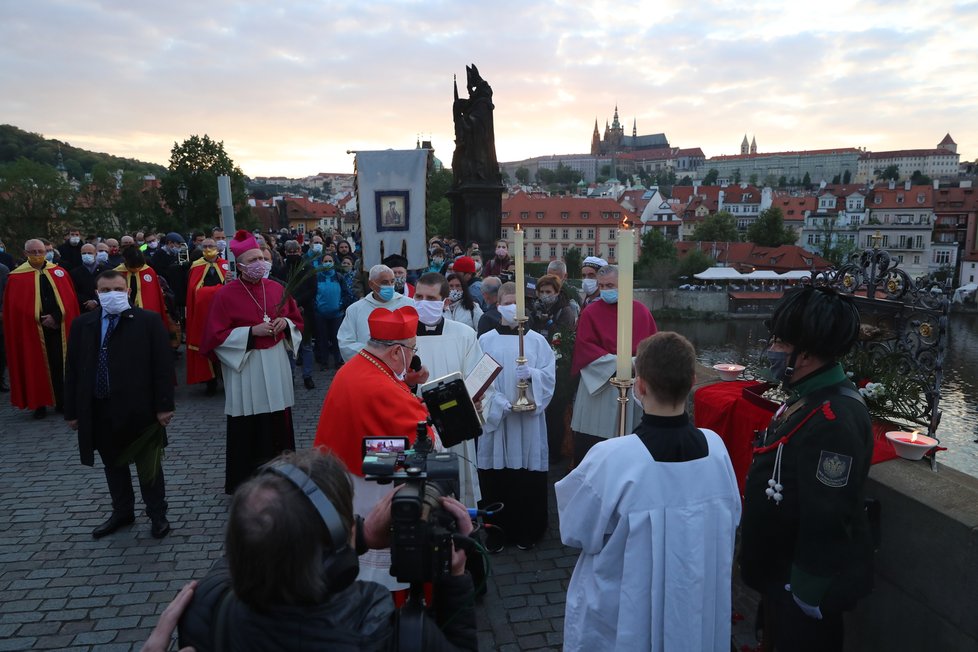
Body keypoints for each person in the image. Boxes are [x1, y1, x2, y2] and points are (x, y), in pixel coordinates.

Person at [176, 449, 478, 651]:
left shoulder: (203, 609)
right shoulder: (391, 634)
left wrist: (359, 536)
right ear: (337, 554)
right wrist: (456, 578)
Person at [556, 331, 742, 651]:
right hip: (692, 603)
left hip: (626, 612)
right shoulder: (717, 449)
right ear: (692, 381)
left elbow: (575, 531)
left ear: (639, 386)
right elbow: (731, 519)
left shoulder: (613, 457)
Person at [739, 286, 874, 652]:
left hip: (799, 590)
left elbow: (828, 514)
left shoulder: (834, 418)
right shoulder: (807, 398)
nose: (772, 349)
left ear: (808, 352)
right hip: (778, 578)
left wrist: (805, 590)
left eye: (781, 342)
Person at [314, 306, 432, 590]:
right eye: (412, 349)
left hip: (346, 472)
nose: (414, 356)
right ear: (395, 352)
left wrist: (409, 383)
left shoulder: (361, 365)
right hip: (368, 487)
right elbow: (422, 440)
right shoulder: (380, 386)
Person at [64, 270, 176, 539]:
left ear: (127, 292)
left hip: (141, 409)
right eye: (105, 290)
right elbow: (73, 370)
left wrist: (164, 405)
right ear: (96, 294)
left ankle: (157, 514)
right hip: (100, 409)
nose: (111, 294)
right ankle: (122, 511)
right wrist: (72, 410)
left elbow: (162, 366)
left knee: (148, 467)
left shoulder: (147, 321)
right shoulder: (83, 324)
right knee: (113, 465)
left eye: (117, 289)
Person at [200, 230, 304, 494]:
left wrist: (286, 323)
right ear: (241, 265)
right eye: (253, 259)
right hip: (246, 365)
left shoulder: (278, 288)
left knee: (278, 421)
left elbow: (298, 322)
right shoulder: (225, 295)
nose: (260, 263)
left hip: (276, 360)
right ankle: (246, 481)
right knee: (248, 425)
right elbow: (214, 337)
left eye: (262, 257)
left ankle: (283, 475)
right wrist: (250, 332)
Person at [477, 282, 555, 550]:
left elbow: (549, 376)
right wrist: (498, 403)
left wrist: (533, 376)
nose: (512, 308)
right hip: (497, 421)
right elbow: (478, 380)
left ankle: (528, 531)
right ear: (497, 305)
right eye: (507, 302)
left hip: (528, 420)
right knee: (497, 476)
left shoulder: (537, 341)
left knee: (526, 477)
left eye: (516, 303)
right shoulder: (485, 341)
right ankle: (498, 533)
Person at [570, 264, 657, 462]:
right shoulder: (590, 313)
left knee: (629, 450)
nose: (606, 291)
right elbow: (585, 351)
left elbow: (653, 350)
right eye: (602, 286)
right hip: (599, 391)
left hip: (633, 388)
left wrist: (635, 363)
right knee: (593, 452)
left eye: (610, 285)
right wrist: (630, 363)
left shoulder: (641, 312)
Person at [413, 272, 483, 507]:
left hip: (456, 425)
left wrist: (477, 402)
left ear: (445, 303)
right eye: (418, 296)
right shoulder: (404, 336)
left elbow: (477, 380)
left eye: (431, 299)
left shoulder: (464, 334)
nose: (423, 303)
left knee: (458, 495)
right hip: (415, 422)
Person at [3, 239, 80, 419]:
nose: (37, 255)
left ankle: (62, 401)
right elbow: (15, 307)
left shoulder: (59, 272)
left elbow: (69, 299)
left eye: (40, 251)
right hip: (31, 330)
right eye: (33, 252)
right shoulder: (16, 277)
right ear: (25, 253)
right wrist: (36, 317)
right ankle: (39, 404)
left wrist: (56, 316)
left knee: (60, 364)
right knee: (35, 365)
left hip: (58, 327)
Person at [337, 264, 415, 361]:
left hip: (401, 364)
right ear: (371, 284)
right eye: (384, 282)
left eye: (392, 281)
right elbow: (346, 343)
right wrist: (376, 353)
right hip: (370, 365)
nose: (390, 286)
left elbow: (416, 338)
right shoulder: (355, 309)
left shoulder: (409, 304)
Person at [185, 238, 229, 394]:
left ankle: (226, 379)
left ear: (217, 248)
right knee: (206, 344)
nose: (208, 248)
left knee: (225, 344)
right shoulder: (196, 266)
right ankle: (210, 382)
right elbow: (195, 292)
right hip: (203, 313)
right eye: (205, 246)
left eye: (211, 246)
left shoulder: (226, 265)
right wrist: (218, 290)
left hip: (224, 312)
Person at [115, 246, 171, 330]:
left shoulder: (149, 271)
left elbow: (155, 296)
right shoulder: (116, 273)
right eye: (133, 266)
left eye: (139, 266)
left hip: (145, 315)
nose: (136, 268)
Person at [529, 274, 578, 340]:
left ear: (557, 292)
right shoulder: (536, 307)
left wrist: (548, 322)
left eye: (548, 292)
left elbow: (562, 337)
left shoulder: (565, 311)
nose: (544, 295)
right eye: (542, 292)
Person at [70, 242, 109, 313]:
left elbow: (109, 288)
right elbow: (73, 291)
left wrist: (96, 301)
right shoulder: (74, 272)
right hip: (83, 308)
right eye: (84, 253)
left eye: (90, 253)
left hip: (103, 307)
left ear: (96, 254)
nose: (86, 255)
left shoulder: (106, 270)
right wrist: (87, 302)